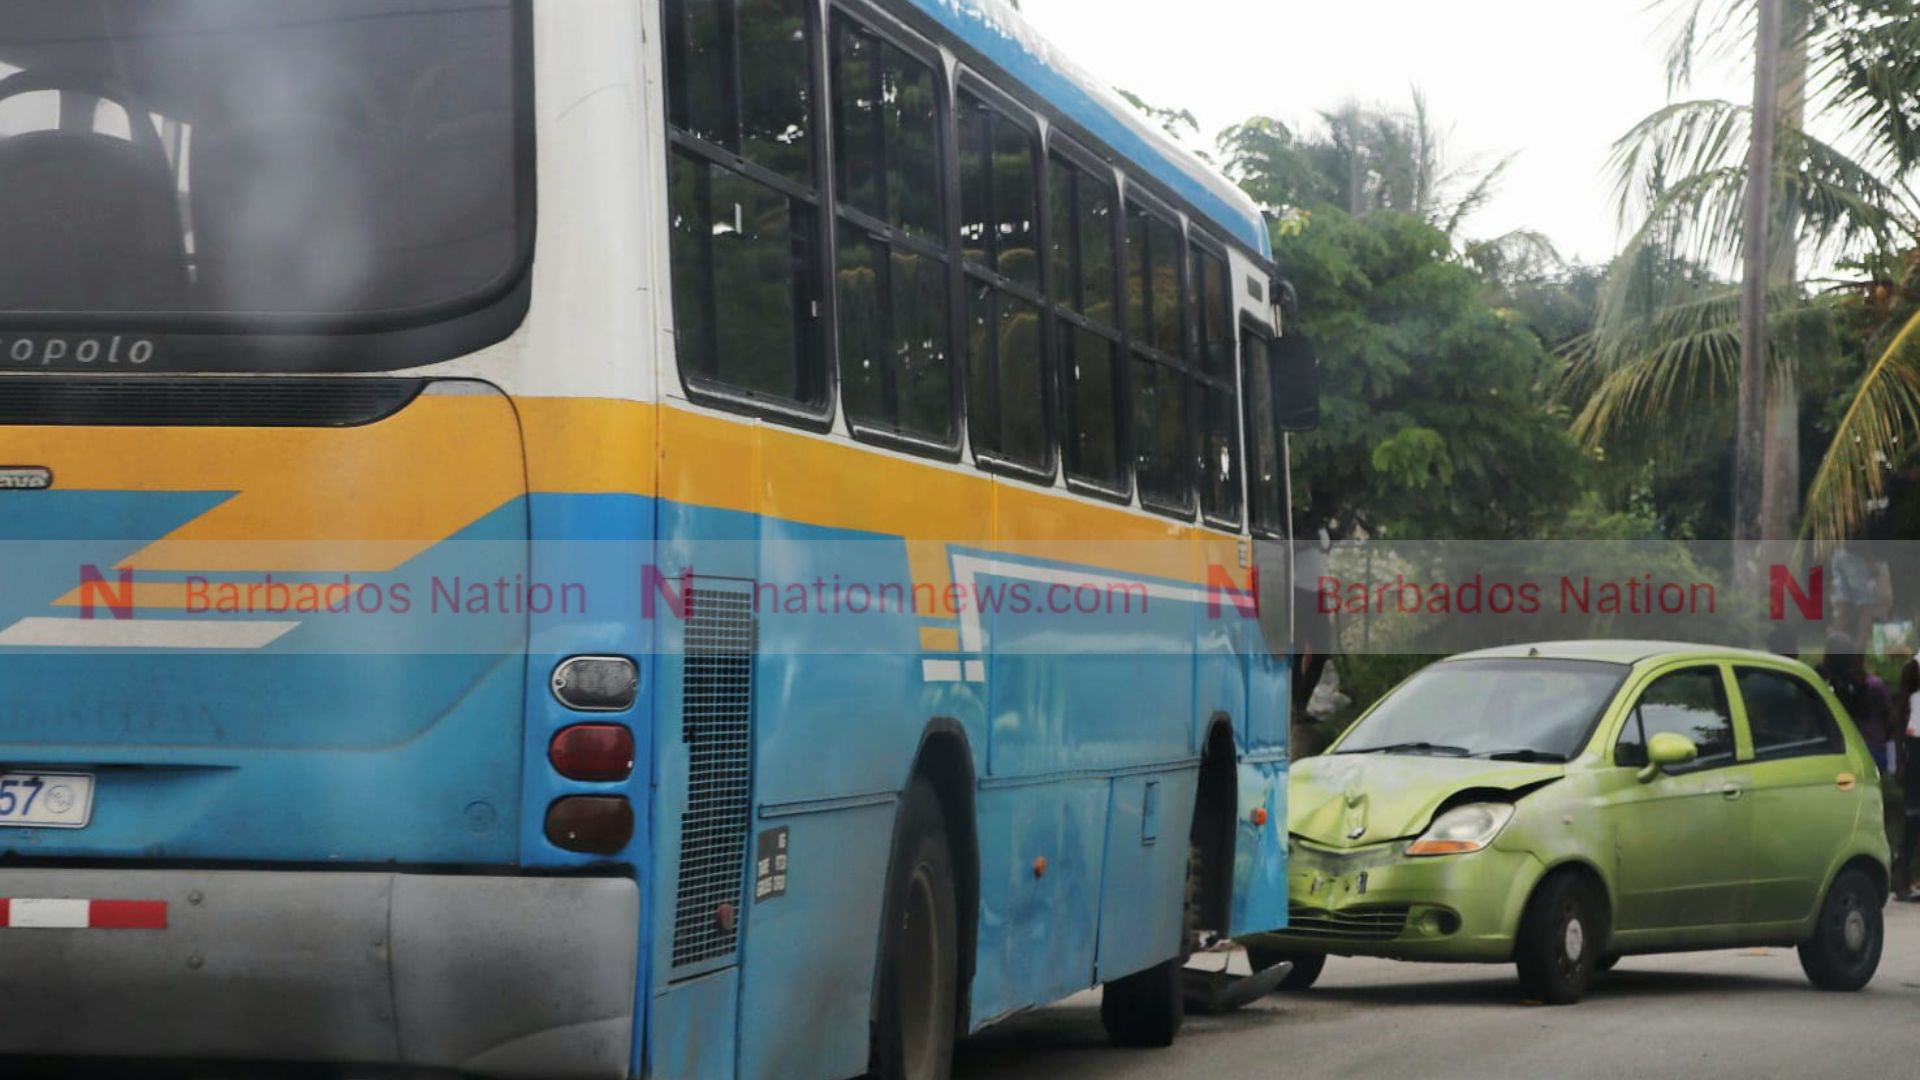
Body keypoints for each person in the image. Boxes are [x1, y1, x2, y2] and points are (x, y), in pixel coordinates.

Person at [1819, 634, 1894, 774]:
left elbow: (1884, 719)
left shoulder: (1868, 685)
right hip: (1856, 747)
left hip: (1868, 747)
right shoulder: (1833, 682)